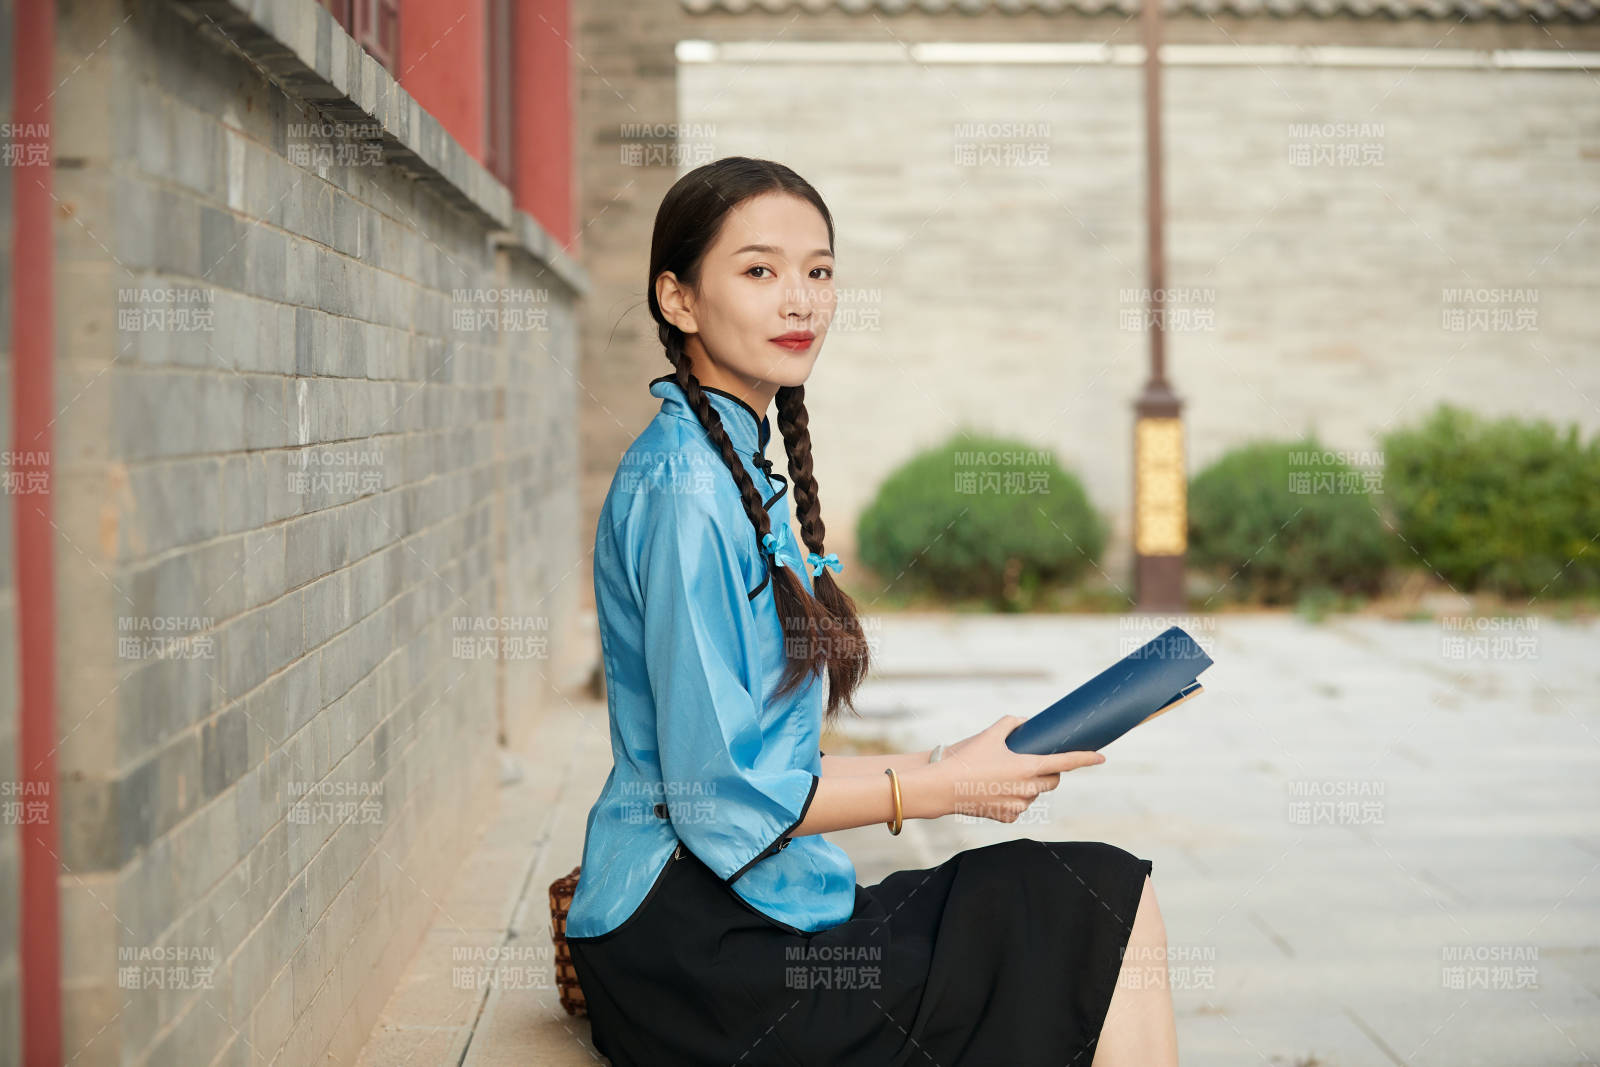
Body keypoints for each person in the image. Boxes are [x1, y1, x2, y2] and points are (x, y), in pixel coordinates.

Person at [563, 155, 1179, 1066]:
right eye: (760, 270)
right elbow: (723, 798)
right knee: (1090, 901)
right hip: (698, 949)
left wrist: (962, 759)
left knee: (1081, 902)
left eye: (819, 271)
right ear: (678, 299)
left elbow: (771, 759)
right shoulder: (684, 484)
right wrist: (942, 788)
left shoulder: (732, 461)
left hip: (749, 906)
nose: (800, 301)